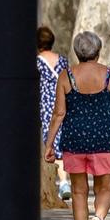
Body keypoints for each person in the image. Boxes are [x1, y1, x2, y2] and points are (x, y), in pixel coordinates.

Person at [43, 30, 110, 220]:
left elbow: (58, 114)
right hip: (103, 139)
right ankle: (98, 218)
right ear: (99, 51)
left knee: (78, 191)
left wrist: (49, 144)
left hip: (74, 140)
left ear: (76, 52)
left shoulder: (66, 75)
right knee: (105, 187)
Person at [37, 26, 68, 205]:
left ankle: (53, 181)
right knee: (59, 147)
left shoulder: (36, 62)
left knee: (46, 145)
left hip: (43, 107)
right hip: (61, 104)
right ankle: (63, 182)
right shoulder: (63, 61)